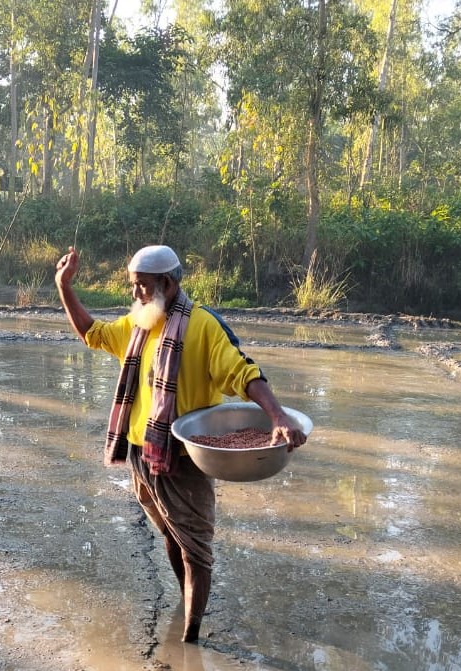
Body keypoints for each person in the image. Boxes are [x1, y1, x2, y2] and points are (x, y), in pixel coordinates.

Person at [54, 244, 307, 643]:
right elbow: (92, 333)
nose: (135, 294)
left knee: (196, 551)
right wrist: (64, 286)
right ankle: (186, 600)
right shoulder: (140, 324)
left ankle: (190, 636)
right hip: (143, 456)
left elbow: (244, 372)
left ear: (167, 284)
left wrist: (278, 416)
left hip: (184, 460)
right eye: (133, 286)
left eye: (141, 286)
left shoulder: (203, 327)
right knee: (172, 536)